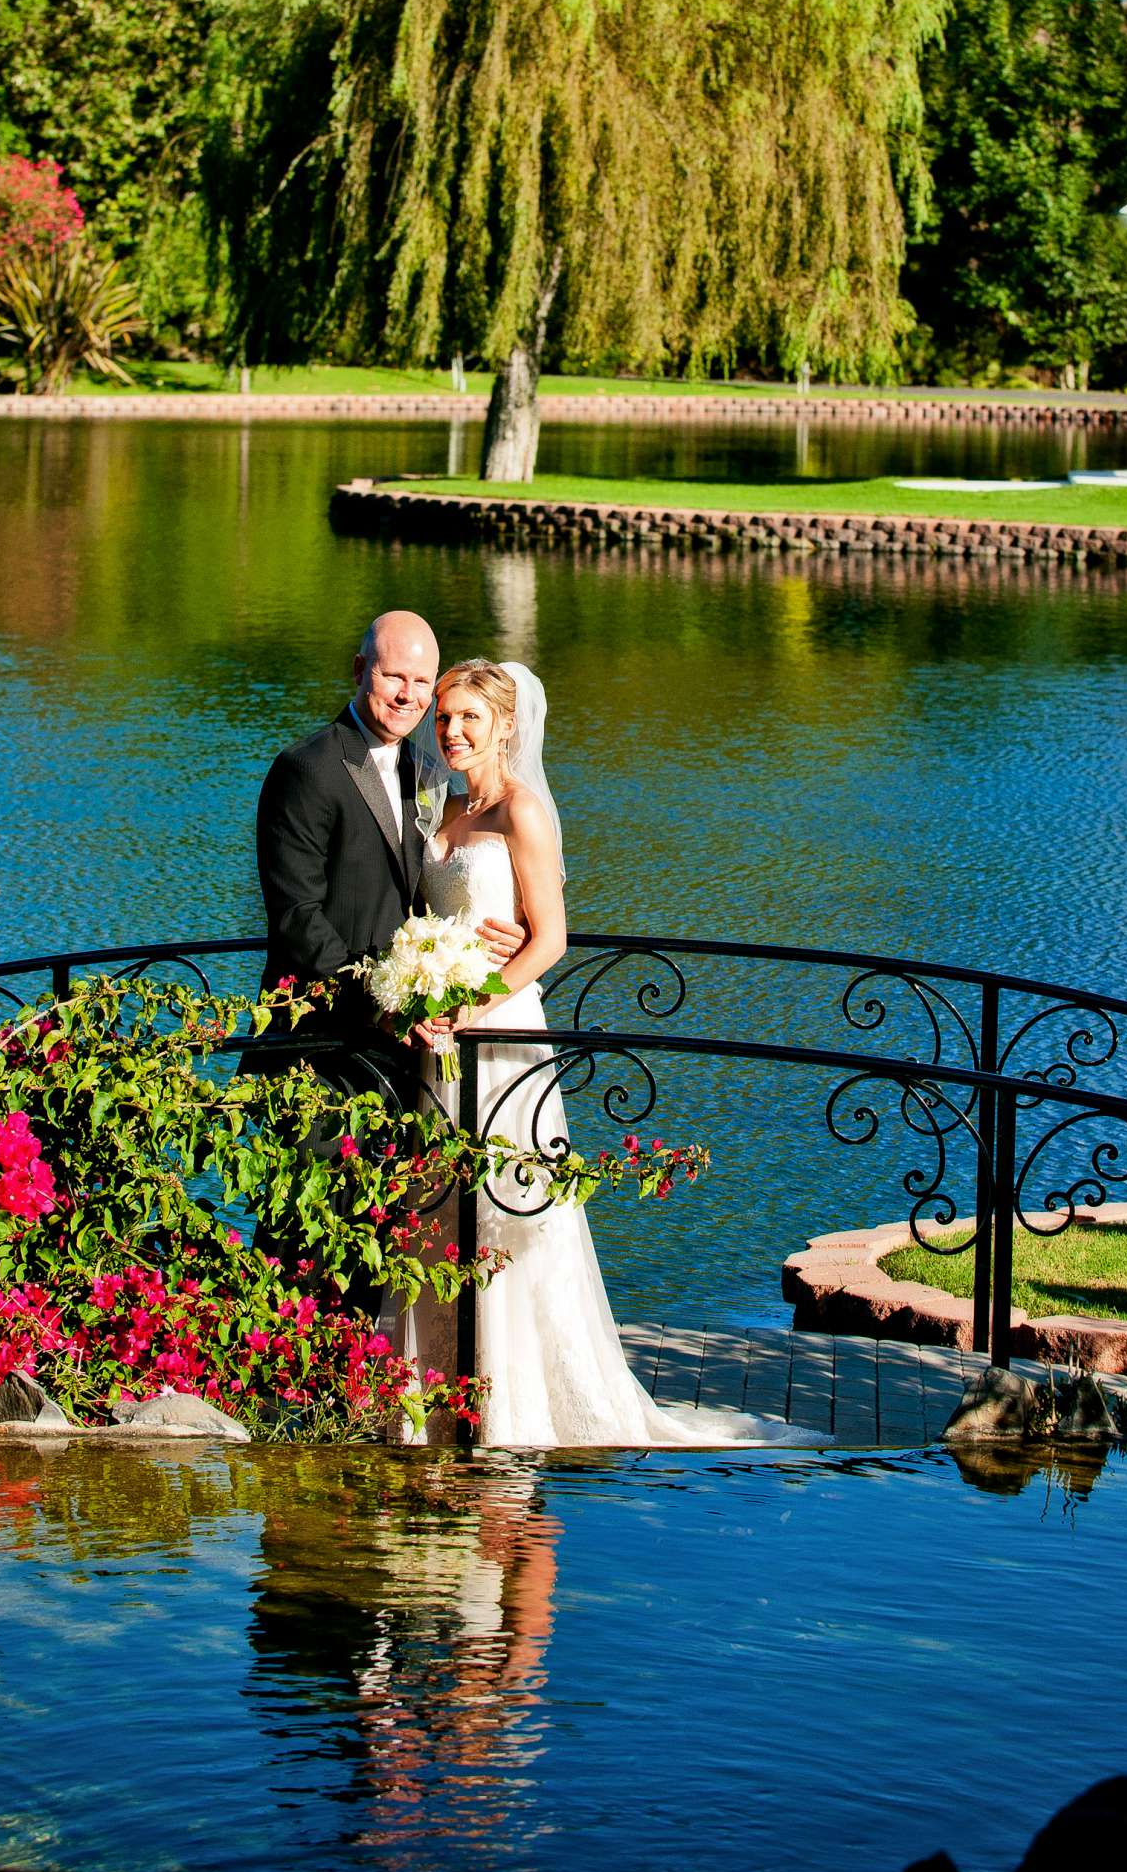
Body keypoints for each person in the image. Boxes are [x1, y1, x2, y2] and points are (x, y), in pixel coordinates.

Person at [383, 656, 826, 1450]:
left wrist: (470, 1006)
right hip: (438, 1041)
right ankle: (437, 1397)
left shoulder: (524, 812)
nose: (450, 731)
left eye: (468, 719)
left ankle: (515, 1400)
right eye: (443, 717)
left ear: (506, 727)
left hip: (499, 1034)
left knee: (510, 1212)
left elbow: (549, 939)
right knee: (440, 1209)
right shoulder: (441, 809)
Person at [253, 611, 523, 1081]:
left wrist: (501, 935)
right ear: (360, 671)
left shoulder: (426, 772)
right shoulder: (305, 768)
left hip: (405, 1055)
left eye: (422, 681)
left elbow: (432, 888)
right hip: (323, 1046)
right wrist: (380, 1006)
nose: (408, 695)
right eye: (394, 676)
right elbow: (297, 917)